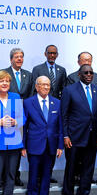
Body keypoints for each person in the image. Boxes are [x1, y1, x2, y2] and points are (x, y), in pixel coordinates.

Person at [61, 64, 97, 195]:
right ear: (79, 75)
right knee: (72, 167)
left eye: (91, 72)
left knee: (88, 167)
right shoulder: (69, 90)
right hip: (74, 136)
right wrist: (65, 135)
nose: (89, 75)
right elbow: (64, 115)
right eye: (85, 72)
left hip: (93, 136)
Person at [22, 76, 63, 195]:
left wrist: (60, 145)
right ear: (36, 86)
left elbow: (60, 126)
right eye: (43, 85)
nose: (46, 87)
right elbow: (24, 126)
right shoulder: (28, 103)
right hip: (34, 144)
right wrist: (23, 146)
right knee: (33, 174)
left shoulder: (57, 103)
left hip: (51, 145)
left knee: (47, 174)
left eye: (48, 85)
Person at [31, 44, 67, 183]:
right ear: (45, 54)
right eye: (50, 53)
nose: (52, 55)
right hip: (40, 108)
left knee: (51, 143)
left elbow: (63, 90)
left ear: (57, 55)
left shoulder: (61, 70)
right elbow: (34, 90)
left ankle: (47, 174)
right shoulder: (37, 69)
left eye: (54, 53)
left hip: (54, 108)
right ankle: (38, 176)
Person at [2, 48, 33, 186]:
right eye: (16, 57)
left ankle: (15, 175)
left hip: (23, 115)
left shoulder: (28, 75)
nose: (19, 59)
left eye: (21, 56)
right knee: (6, 147)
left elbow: (31, 94)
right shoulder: (4, 74)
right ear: (11, 59)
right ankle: (4, 177)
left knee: (19, 146)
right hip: (7, 116)